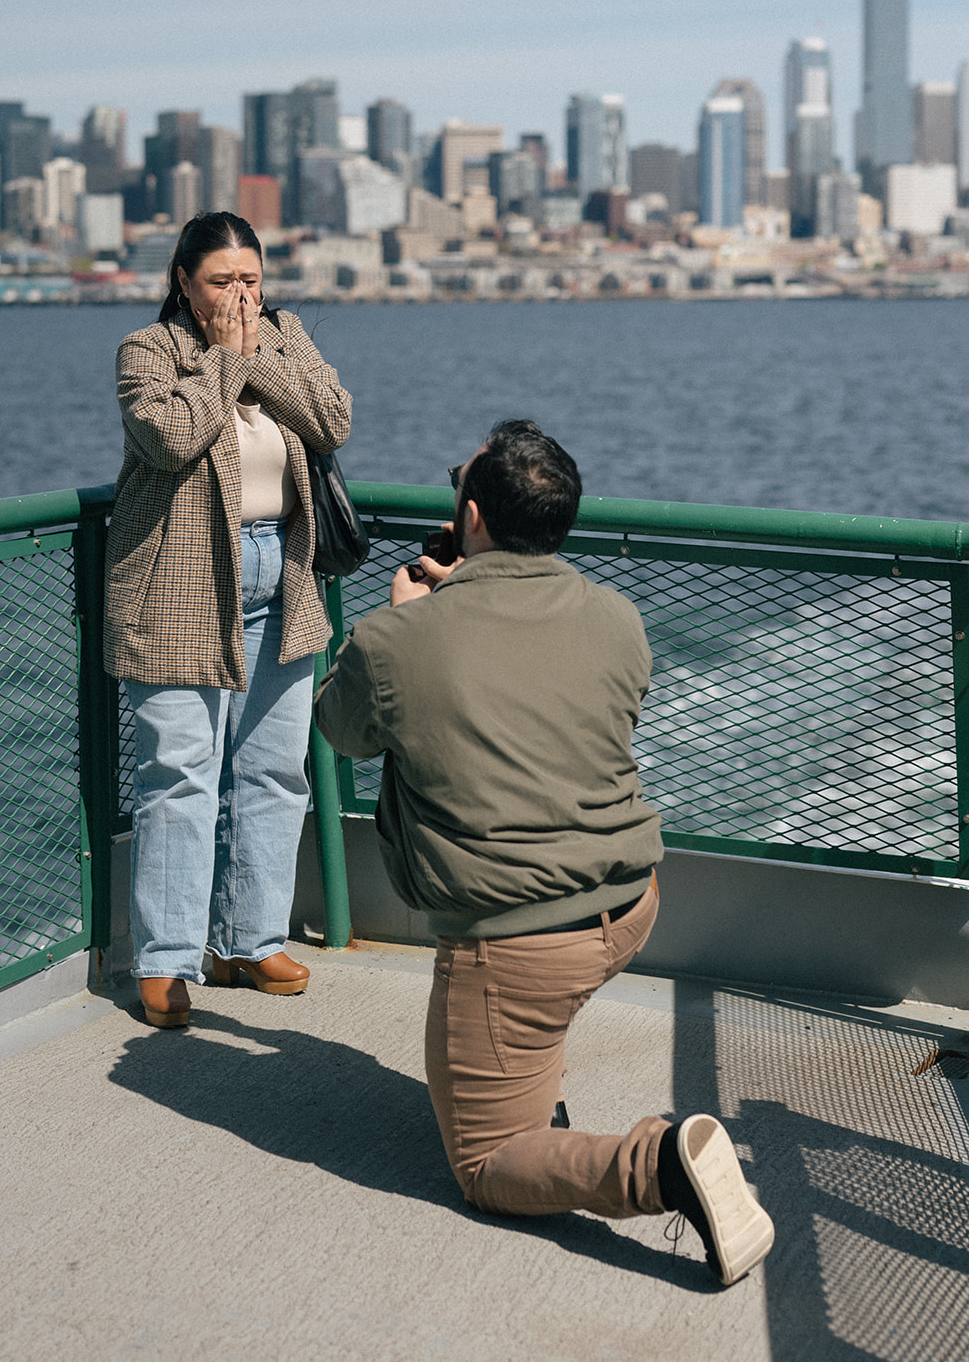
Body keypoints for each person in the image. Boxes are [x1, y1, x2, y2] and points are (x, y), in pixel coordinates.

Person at [313, 420, 774, 1286]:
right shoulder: (616, 617)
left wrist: (406, 619)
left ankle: (663, 1164)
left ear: (473, 516)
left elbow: (341, 730)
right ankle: (533, 1069)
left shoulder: (396, 642)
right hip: (629, 904)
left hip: (516, 942)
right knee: (537, 1014)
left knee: (487, 1164)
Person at [105, 211, 352, 1029]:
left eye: (251, 278)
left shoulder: (283, 337)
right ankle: (168, 960)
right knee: (178, 774)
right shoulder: (150, 352)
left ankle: (249, 939)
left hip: (278, 574)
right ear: (184, 281)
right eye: (222, 280)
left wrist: (256, 356)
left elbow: (331, 418)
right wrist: (224, 360)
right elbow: (171, 435)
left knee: (275, 768)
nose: (241, 295)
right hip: (178, 584)